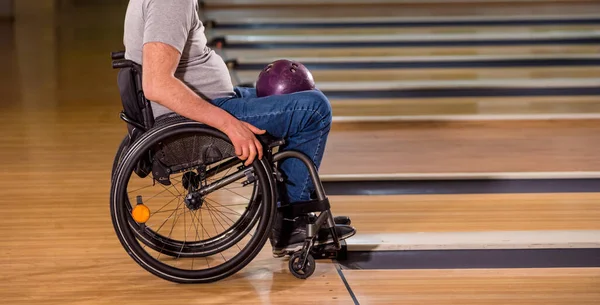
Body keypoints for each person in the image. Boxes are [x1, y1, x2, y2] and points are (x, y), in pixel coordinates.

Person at [123, 0, 356, 256]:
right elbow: (157, 84)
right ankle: (291, 223)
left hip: (210, 105)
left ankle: (295, 210)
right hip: (194, 121)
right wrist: (229, 124)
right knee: (313, 109)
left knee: (299, 100)